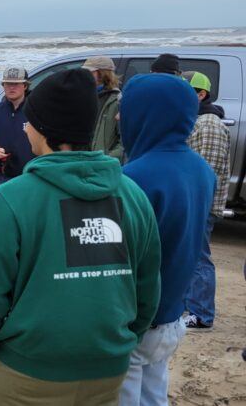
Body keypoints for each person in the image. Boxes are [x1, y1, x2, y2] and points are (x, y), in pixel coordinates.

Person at [0, 69, 161, 405]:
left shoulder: (12, 198)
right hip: (108, 368)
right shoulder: (132, 195)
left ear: (43, 130)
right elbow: (147, 290)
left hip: (26, 372)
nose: (25, 127)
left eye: (29, 121)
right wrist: (123, 343)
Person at [119, 73, 215, 405]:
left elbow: (123, 256)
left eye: (125, 110)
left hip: (136, 319)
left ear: (146, 114)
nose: (119, 117)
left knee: (126, 395)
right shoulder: (201, 169)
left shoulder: (134, 176)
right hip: (173, 313)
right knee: (154, 392)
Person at [182, 71, 230, 331]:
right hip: (192, 202)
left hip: (200, 204)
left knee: (199, 258)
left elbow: (207, 173)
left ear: (201, 94)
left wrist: (193, 204)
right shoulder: (194, 120)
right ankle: (192, 308)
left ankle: (201, 315)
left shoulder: (209, 123)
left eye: (185, 90)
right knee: (190, 256)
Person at [86, 56, 125, 161]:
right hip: (82, 163)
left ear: (102, 74)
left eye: (90, 72)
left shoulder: (118, 101)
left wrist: (106, 158)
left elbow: (124, 141)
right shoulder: (82, 97)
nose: (85, 76)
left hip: (102, 165)